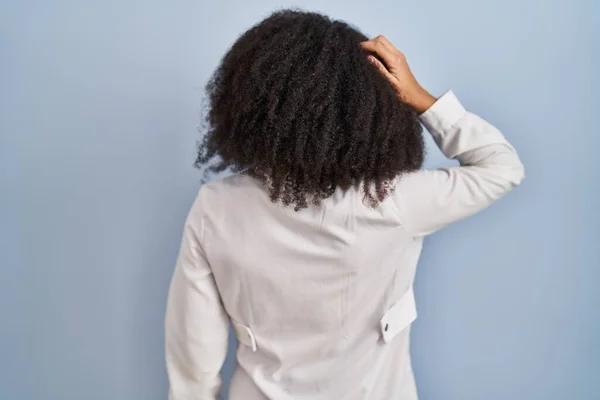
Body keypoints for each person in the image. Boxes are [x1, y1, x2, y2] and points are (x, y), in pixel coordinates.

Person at [164, 9, 525, 400]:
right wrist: (422, 100)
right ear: (370, 106)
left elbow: (193, 353)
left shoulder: (216, 207)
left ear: (251, 105)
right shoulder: (396, 200)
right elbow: (502, 167)